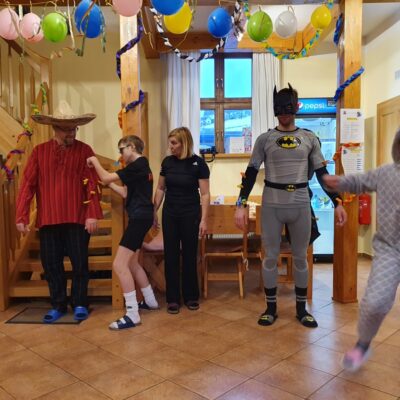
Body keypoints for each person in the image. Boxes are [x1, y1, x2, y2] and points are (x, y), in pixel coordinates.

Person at [235, 84, 347, 328]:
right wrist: (240, 203)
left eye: (287, 108)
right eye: (279, 108)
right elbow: (251, 172)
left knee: (300, 258)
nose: (283, 113)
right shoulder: (264, 139)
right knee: (269, 258)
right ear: (274, 109)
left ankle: (301, 309)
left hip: (300, 203)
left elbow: (322, 173)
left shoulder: (309, 138)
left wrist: (337, 201)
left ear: (296, 107)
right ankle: (270, 308)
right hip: (272, 204)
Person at [15, 101, 103, 323]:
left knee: (80, 264)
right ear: (54, 128)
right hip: (49, 218)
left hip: (77, 218)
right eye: (66, 129)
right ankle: (58, 304)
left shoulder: (85, 150)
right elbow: (28, 185)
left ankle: (80, 302)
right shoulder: (39, 152)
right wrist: (21, 215)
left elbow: (93, 183)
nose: (71, 133)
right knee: (51, 265)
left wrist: (92, 213)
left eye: (74, 128)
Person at [323, 128, 400, 371]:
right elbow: (361, 180)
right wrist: (339, 182)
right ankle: (363, 344)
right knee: (374, 303)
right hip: (390, 249)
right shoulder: (387, 173)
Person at [87, 135, 159, 330]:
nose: (120, 154)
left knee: (119, 265)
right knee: (133, 263)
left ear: (132, 147)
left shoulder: (137, 165)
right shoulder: (141, 166)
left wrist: (93, 160)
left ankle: (132, 314)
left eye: (121, 149)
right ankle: (150, 301)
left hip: (139, 218)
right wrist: (109, 183)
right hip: (142, 217)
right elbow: (126, 193)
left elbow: (105, 176)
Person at [153, 127, 210, 314]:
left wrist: (204, 220)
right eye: (170, 143)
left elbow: (205, 194)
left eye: (174, 143)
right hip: (170, 213)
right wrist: (154, 210)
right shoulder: (167, 162)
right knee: (170, 255)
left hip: (190, 214)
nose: (170, 146)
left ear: (184, 143)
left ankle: (191, 296)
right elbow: (160, 188)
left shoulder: (199, 164)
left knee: (189, 255)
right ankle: (172, 299)